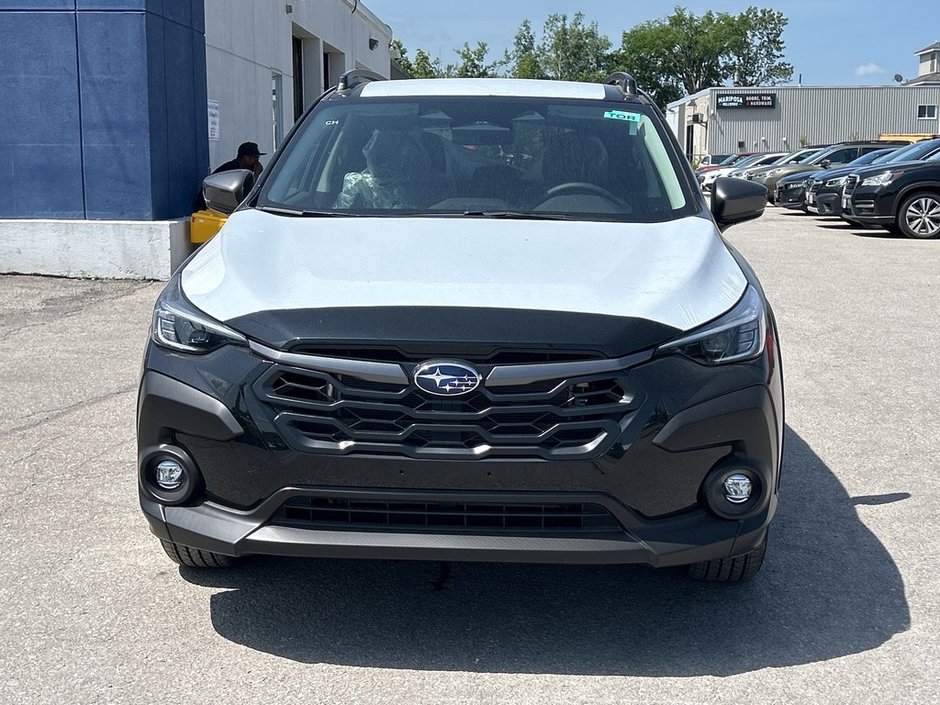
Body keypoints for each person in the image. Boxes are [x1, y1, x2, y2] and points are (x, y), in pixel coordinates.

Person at [333, 130, 432, 209]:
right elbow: (342, 217)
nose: (386, 165)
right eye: (381, 157)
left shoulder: (424, 186)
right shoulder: (358, 184)